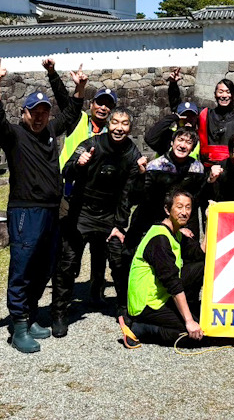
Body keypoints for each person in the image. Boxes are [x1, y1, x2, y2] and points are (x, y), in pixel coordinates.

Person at [0, 58, 85, 354]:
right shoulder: (15, 136)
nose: (40, 117)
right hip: (24, 211)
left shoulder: (50, 133)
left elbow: (71, 114)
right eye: (35, 112)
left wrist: (79, 88)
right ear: (24, 113)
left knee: (44, 267)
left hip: (50, 210)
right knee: (23, 267)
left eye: (44, 112)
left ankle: (29, 317)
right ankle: (18, 327)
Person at [51, 108, 147, 337]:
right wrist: (79, 163)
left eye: (124, 123)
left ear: (130, 128)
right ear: (108, 124)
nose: (119, 128)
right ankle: (59, 312)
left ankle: (124, 309)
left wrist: (119, 224)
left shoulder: (133, 153)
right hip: (81, 211)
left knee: (120, 262)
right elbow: (67, 171)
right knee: (67, 264)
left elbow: (129, 194)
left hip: (109, 216)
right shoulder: (91, 143)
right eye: (115, 122)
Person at [57, 85, 120, 306]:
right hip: (71, 194)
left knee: (100, 247)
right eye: (100, 102)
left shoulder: (113, 133)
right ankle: (65, 291)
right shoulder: (79, 121)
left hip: (99, 200)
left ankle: (96, 290)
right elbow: (64, 100)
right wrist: (55, 75)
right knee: (70, 244)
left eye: (108, 105)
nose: (103, 108)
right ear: (91, 104)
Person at [121, 189, 205, 348]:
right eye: (179, 207)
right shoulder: (159, 239)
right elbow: (172, 283)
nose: (184, 212)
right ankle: (139, 328)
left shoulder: (176, 232)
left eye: (188, 207)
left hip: (161, 295)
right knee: (194, 336)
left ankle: (190, 309)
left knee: (201, 267)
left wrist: (211, 219)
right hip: (147, 304)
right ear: (167, 210)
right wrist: (189, 321)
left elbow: (200, 254)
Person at [123, 128, 207, 275]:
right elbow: (145, 199)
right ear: (172, 143)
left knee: (192, 257)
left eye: (188, 143)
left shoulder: (197, 168)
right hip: (152, 218)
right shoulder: (156, 166)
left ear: (193, 148)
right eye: (180, 140)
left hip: (181, 218)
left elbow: (195, 198)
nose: (183, 145)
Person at [144, 68, 200, 157]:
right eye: (184, 117)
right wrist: (172, 117)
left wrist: (173, 85)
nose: (187, 120)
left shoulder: (201, 138)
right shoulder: (169, 136)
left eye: (191, 116)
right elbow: (150, 138)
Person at [197, 78, 234, 170]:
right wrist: (173, 84)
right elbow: (182, 112)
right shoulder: (204, 114)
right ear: (215, 94)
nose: (224, 95)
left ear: (233, 95)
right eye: (221, 92)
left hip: (232, 168)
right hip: (207, 167)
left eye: (228, 92)